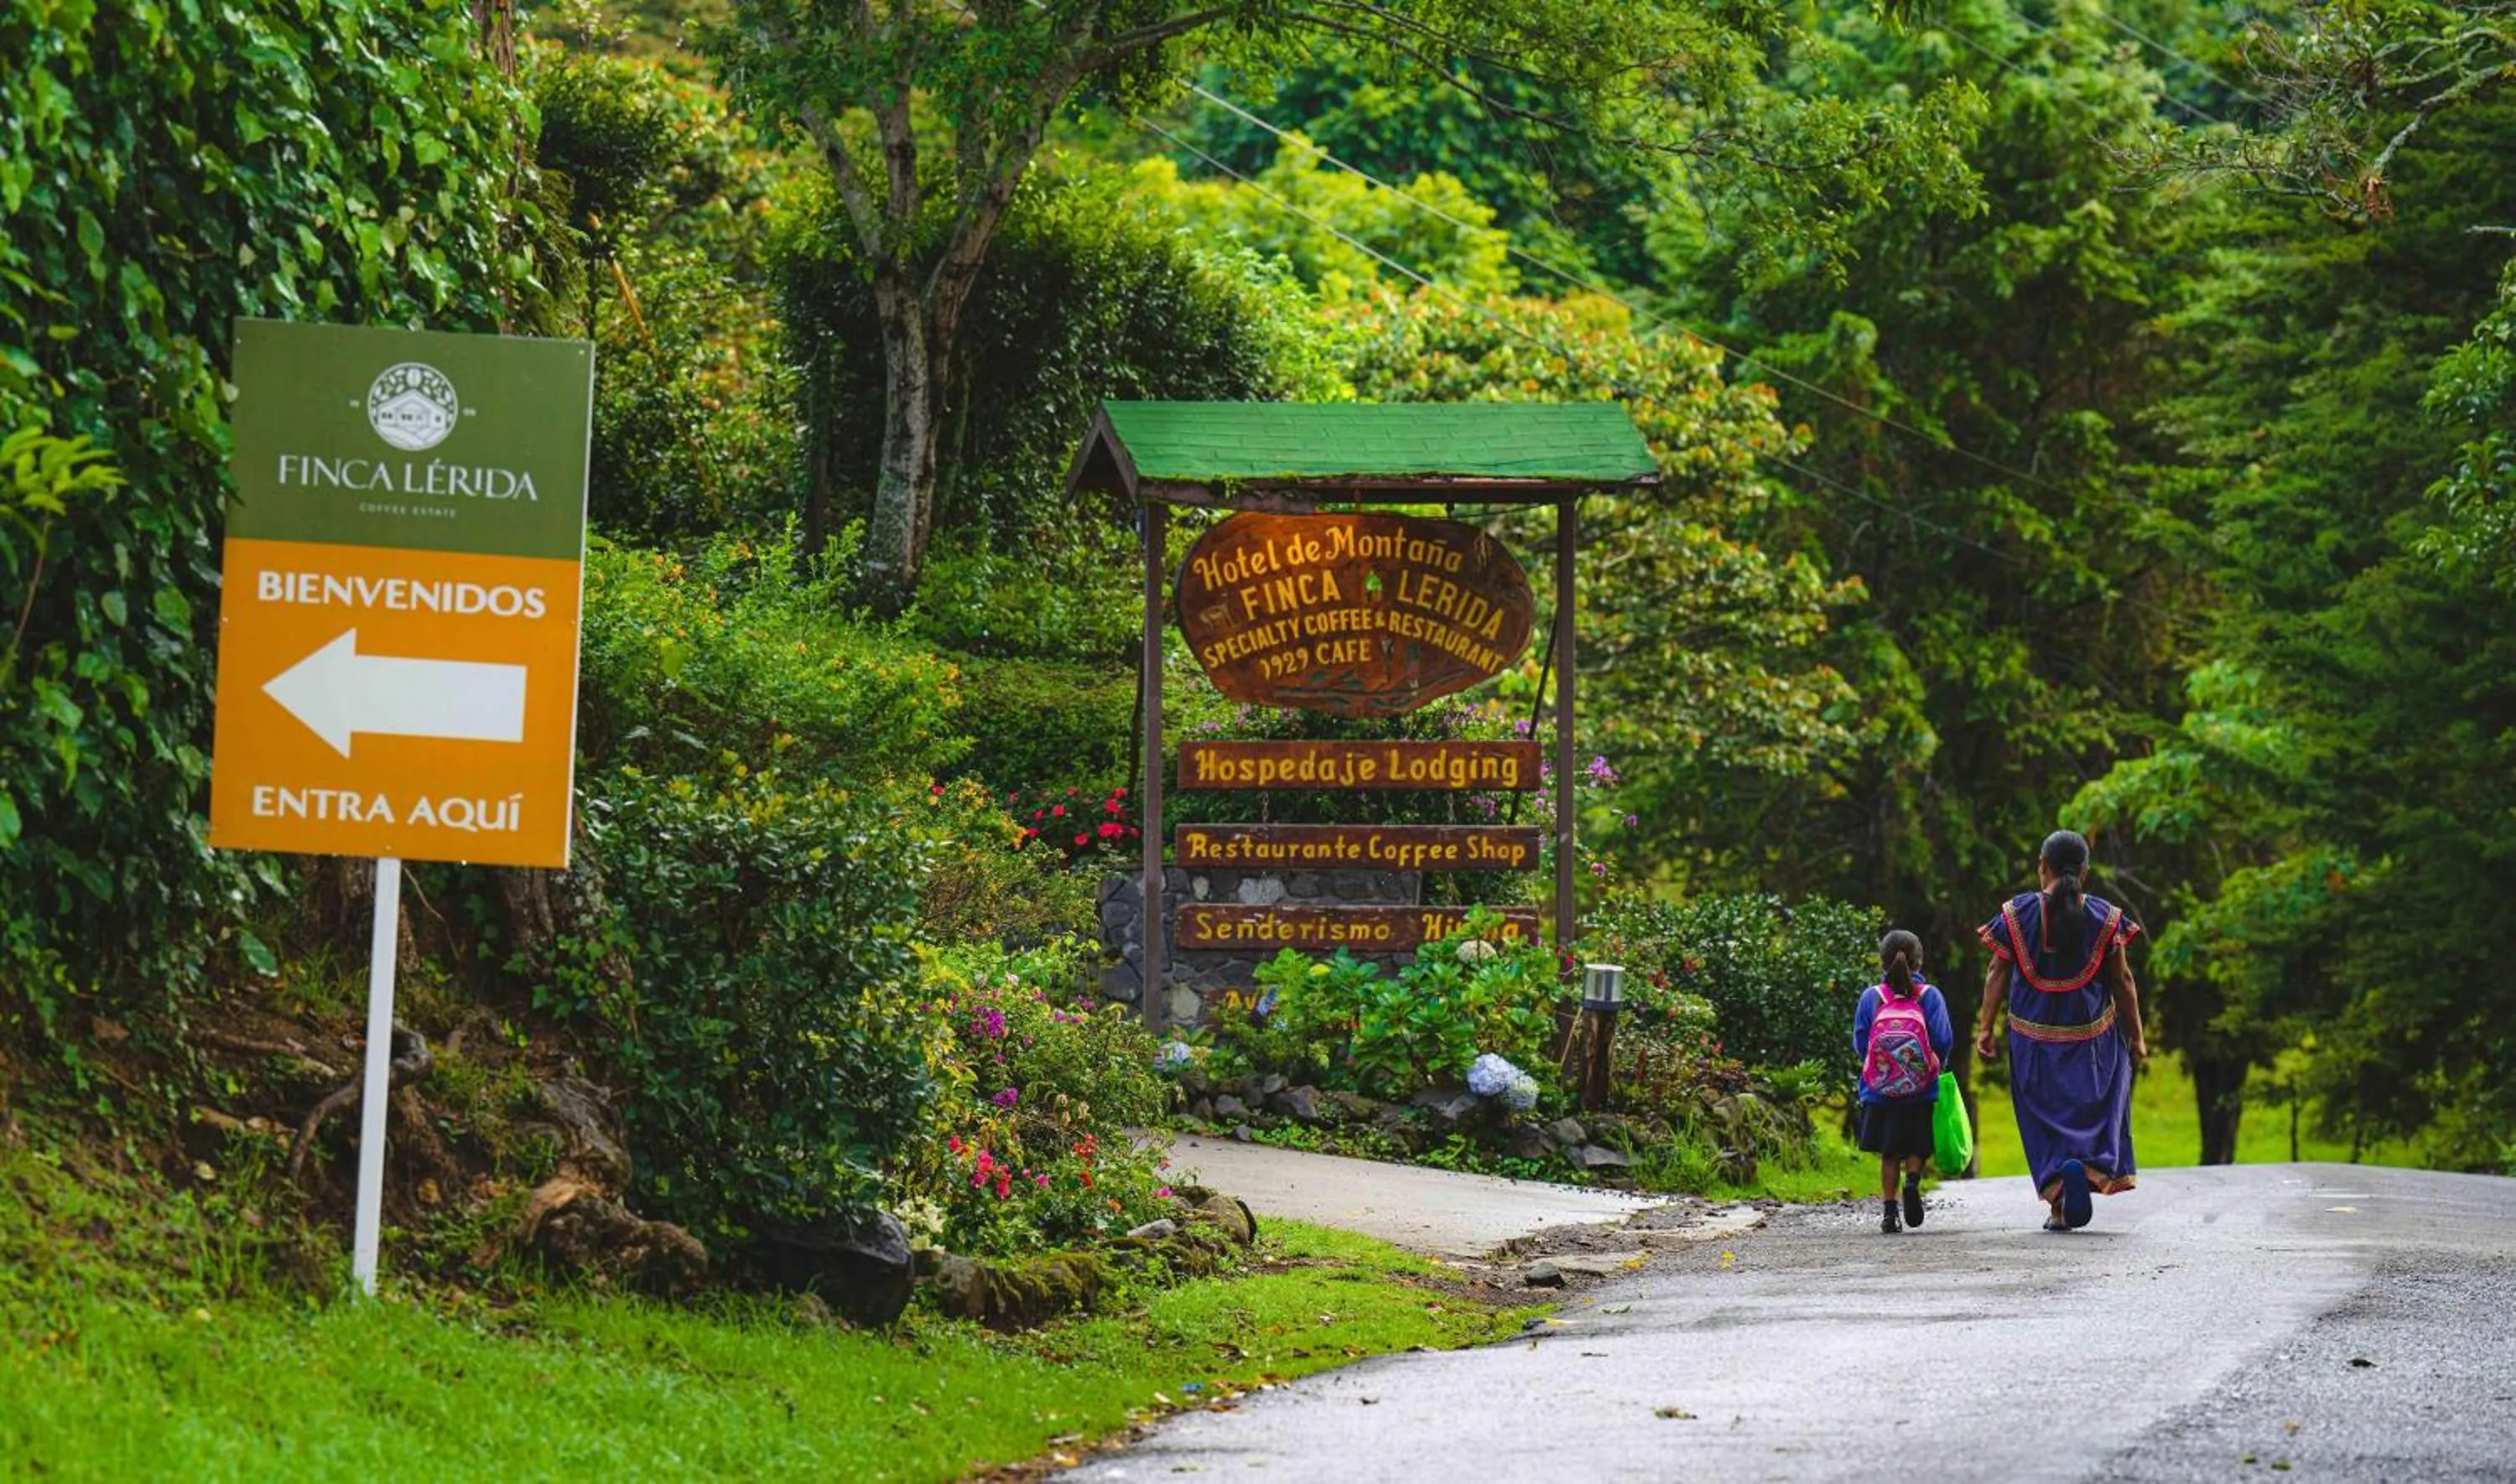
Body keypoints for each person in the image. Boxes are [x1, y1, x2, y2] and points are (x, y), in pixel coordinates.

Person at [1974, 829, 2150, 1232]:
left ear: (2043, 867)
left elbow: (1997, 970)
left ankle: (2059, 1204)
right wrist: (2137, 1036)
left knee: (2043, 1120)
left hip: (2032, 1042)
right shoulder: (2105, 918)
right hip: (2093, 1044)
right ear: (2085, 873)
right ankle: (2082, 1173)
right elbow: (2122, 980)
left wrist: (1985, 1028)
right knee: (2094, 1109)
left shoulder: (2017, 915)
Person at [1853, 929, 1954, 1234]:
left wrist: (1879, 1070)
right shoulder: (1930, 996)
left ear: (1882, 962)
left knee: (1889, 1153)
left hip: (1880, 1091)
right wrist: (1934, 1069)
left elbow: (1861, 1042)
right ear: (1919, 961)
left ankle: (1889, 1212)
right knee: (1916, 1146)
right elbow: (1943, 1040)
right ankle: (1912, 1182)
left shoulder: (1872, 997)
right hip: (1920, 1090)